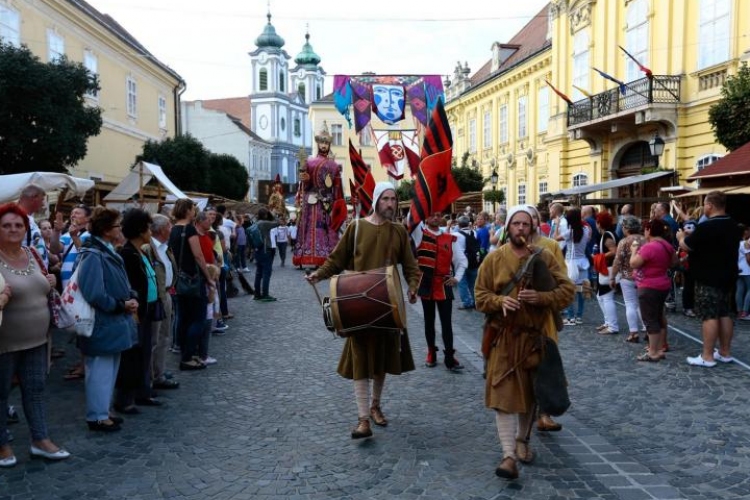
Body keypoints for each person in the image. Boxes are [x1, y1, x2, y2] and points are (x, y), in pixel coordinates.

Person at [306, 182, 421, 439]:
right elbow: (336, 259)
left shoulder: (399, 232)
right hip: (358, 305)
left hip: (388, 304)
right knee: (360, 362)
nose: (391, 204)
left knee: (381, 359)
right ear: (376, 200)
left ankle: (376, 405)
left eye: (394, 199)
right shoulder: (356, 228)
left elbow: (412, 267)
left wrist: (413, 288)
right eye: (386, 199)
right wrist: (319, 274)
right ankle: (363, 420)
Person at [475, 206, 574, 480]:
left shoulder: (544, 257)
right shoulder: (494, 260)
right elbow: (480, 296)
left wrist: (541, 298)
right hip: (504, 337)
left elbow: (567, 291)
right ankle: (508, 456)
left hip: (534, 338)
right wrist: (499, 301)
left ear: (532, 228)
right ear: (508, 228)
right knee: (502, 395)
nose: (520, 228)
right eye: (515, 224)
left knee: (530, 395)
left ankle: (522, 440)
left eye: (525, 224)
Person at [0, 203, 71, 467]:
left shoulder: (31, 253)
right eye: (6, 225)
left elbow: (42, 281)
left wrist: (49, 281)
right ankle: (2, 444)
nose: (13, 229)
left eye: (18, 225)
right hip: (4, 341)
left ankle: (40, 440)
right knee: (1, 393)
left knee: (36, 390)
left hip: (38, 340)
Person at [77, 207, 139, 432]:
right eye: (117, 225)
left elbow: (120, 282)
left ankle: (103, 410)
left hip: (113, 322)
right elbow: (93, 293)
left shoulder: (107, 250)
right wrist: (121, 305)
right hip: (103, 322)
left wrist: (131, 296)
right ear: (105, 230)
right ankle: (97, 416)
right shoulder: (93, 254)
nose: (120, 228)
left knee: (109, 368)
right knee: (100, 371)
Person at [678, 192, 741, 367]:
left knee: (709, 316)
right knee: (725, 313)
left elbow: (687, 246)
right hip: (728, 276)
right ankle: (725, 352)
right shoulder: (733, 225)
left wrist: (680, 237)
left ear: (710, 205)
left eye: (705, 204)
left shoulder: (707, 227)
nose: (703, 207)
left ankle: (707, 356)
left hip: (708, 277)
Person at [116, 208, 163, 413]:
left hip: (148, 308)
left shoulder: (140, 251)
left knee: (144, 353)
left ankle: (143, 391)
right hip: (137, 311)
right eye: (148, 227)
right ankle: (126, 398)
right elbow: (131, 285)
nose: (151, 231)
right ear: (140, 229)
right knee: (133, 356)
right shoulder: (128, 254)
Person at [411, 211, 467, 370]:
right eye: (431, 215)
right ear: (426, 218)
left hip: (444, 284)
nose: (435, 218)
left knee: (446, 323)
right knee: (429, 322)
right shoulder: (419, 235)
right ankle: (431, 353)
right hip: (426, 284)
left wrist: (457, 278)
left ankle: (449, 356)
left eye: (438, 215)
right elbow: (412, 220)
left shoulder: (450, 238)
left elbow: (462, 261)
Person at [168, 198, 214, 371]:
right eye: (193, 208)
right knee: (198, 319)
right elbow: (198, 255)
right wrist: (208, 276)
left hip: (179, 279)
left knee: (183, 318)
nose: (194, 211)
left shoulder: (173, 229)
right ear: (188, 210)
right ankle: (188, 356)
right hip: (192, 278)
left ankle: (185, 352)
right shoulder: (189, 230)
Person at [293, 123, 346, 268]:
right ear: (317, 143)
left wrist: (338, 204)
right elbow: (304, 185)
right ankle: (306, 255)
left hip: (326, 203)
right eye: (321, 142)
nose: (323, 145)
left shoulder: (334, 166)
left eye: (326, 142)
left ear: (329, 144)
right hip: (311, 200)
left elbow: (337, 188)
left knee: (324, 229)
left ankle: (325, 256)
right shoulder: (309, 162)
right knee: (308, 227)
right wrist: (305, 181)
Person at [630, 219, 677, 362]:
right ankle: (659, 347)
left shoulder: (649, 247)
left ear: (649, 230)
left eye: (645, 229)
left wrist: (633, 251)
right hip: (663, 284)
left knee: (650, 318)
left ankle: (653, 352)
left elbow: (634, 263)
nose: (644, 232)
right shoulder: (667, 245)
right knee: (658, 316)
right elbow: (674, 262)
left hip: (649, 286)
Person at [142, 214, 179, 390]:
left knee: (164, 337)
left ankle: (159, 372)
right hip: (156, 298)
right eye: (169, 226)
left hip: (166, 295)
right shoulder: (148, 248)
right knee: (154, 339)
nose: (171, 229)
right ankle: (149, 377)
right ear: (162, 229)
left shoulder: (165, 247)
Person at [611, 216, 646, 343]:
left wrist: (612, 277)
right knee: (642, 304)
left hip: (627, 277)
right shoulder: (645, 240)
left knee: (630, 304)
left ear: (626, 228)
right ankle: (647, 329)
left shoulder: (624, 241)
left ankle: (634, 332)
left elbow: (617, 261)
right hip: (643, 276)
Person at [561, 208, 591, 326]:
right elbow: (588, 239)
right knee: (580, 291)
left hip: (570, 263)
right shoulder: (586, 230)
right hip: (582, 262)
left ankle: (570, 317)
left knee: (569, 290)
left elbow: (555, 237)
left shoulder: (569, 233)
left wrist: (558, 223)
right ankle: (579, 316)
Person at [594, 212, 619, 335]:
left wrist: (600, 256)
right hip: (606, 269)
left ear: (599, 223)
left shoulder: (607, 235)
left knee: (606, 297)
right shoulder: (607, 234)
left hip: (608, 269)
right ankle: (608, 322)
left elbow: (614, 251)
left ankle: (612, 326)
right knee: (600, 296)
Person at [253, 208, 280, 302]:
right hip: (265, 249)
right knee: (266, 273)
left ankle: (257, 294)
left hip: (257, 250)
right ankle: (265, 294)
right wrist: (273, 214)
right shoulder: (264, 223)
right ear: (265, 215)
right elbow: (277, 223)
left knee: (258, 273)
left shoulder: (256, 223)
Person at [736, 225, 750, 320]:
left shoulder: (734, 243)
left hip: (738, 269)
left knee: (739, 290)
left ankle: (739, 312)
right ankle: (745, 312)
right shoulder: (745, 243)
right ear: (745, 232)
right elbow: (748, 258)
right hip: (747, 269)